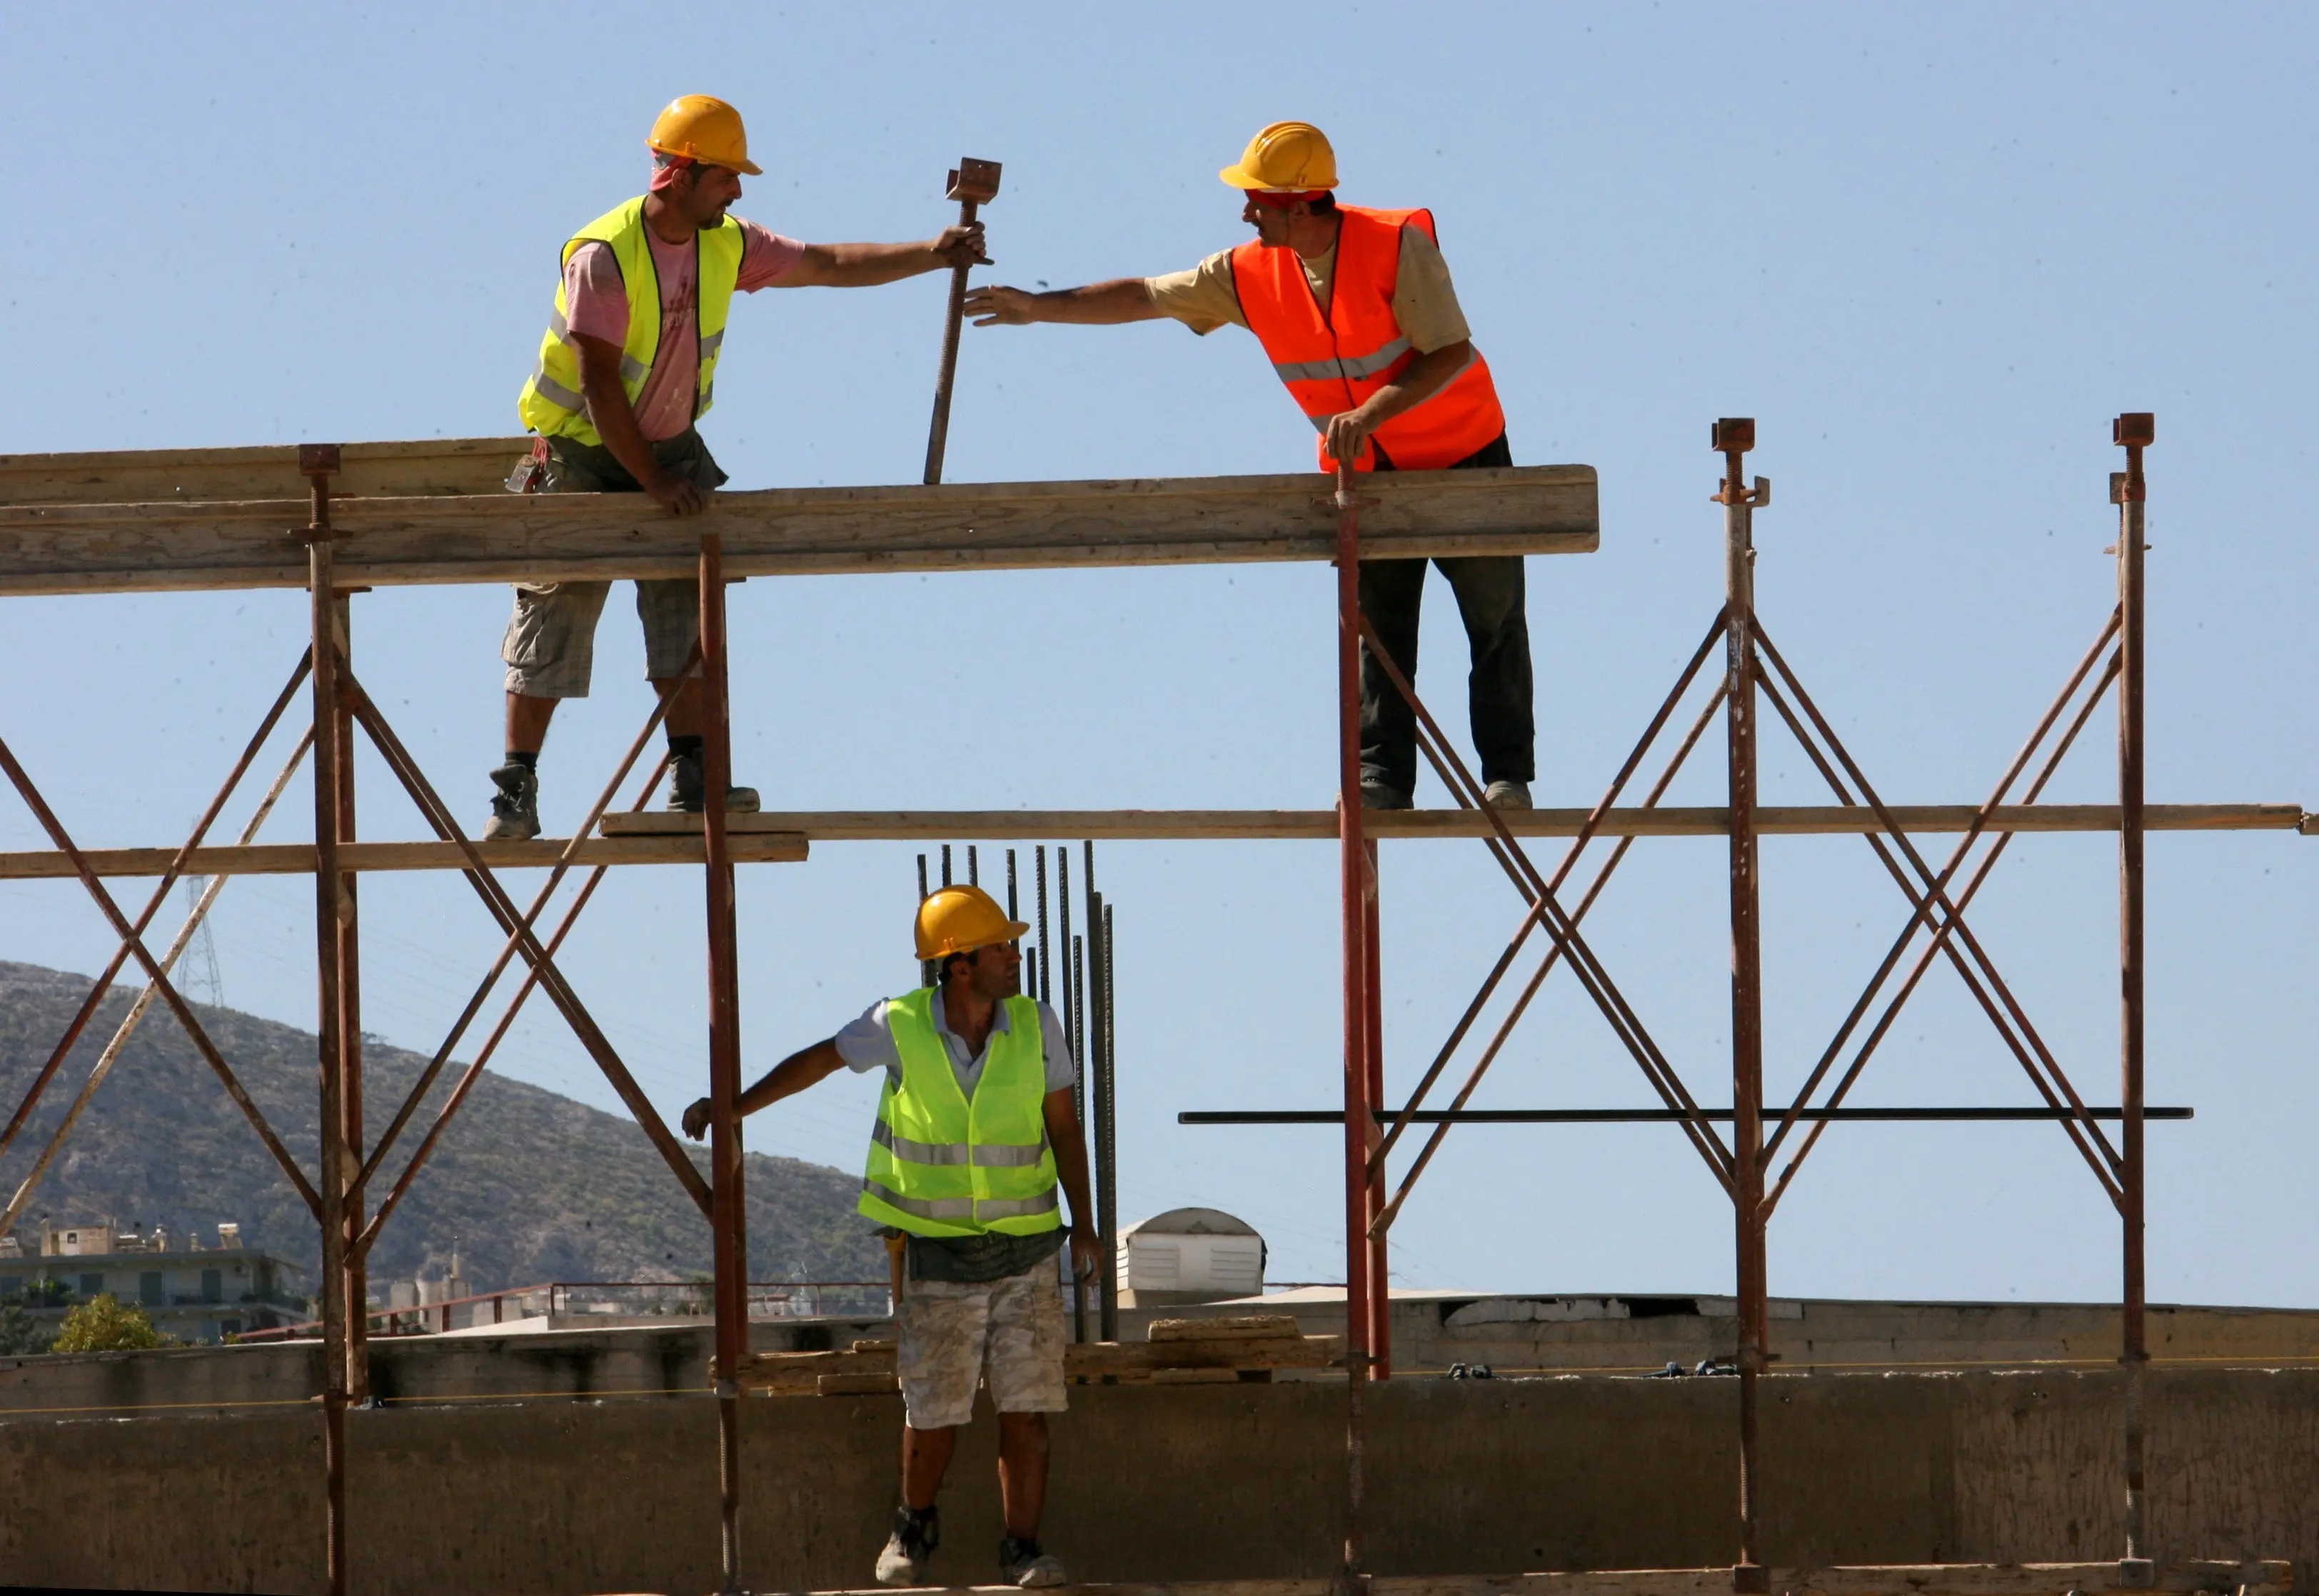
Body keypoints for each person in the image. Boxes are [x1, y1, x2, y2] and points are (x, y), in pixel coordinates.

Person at [963, 120, 1535, 812]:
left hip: (1464, 456)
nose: (1244, 213)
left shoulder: (1394, 246)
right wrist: (1036, 309)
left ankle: (1506, 777)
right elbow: (1145, 295)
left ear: (1298, 206)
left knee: (1493, 622)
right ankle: (1382, 780)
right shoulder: (1247, 273)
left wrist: (1369, 414)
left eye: (1256, 201)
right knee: (1377, 633)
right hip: (1371, 476)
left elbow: (1450, 351)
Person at [488, 94, 989, 839]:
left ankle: (694, 778)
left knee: (685, 616)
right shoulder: (604, 255)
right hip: (579, 456)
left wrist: (932, 252)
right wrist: (655, 483)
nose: (737, 191)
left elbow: (828, 264)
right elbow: (598, 386)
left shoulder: (724, 242)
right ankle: (516, 788)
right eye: (726, 176)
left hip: (668, 450)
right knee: (553, 618)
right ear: (680, 175)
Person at [681, 884, 1100, 1590]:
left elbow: (1063, 1126)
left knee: (1026, 1413)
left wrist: (1083, 1226)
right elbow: (819, 1060)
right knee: (933, 1413)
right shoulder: (899, 1023)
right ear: (959, 965)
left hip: (1027, 1255)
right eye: (1000, 946)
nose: (1014, 955)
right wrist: (734, 1107)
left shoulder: (1036, 1025)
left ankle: (1024, 1549)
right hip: (939, 1258)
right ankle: (912, 1528)